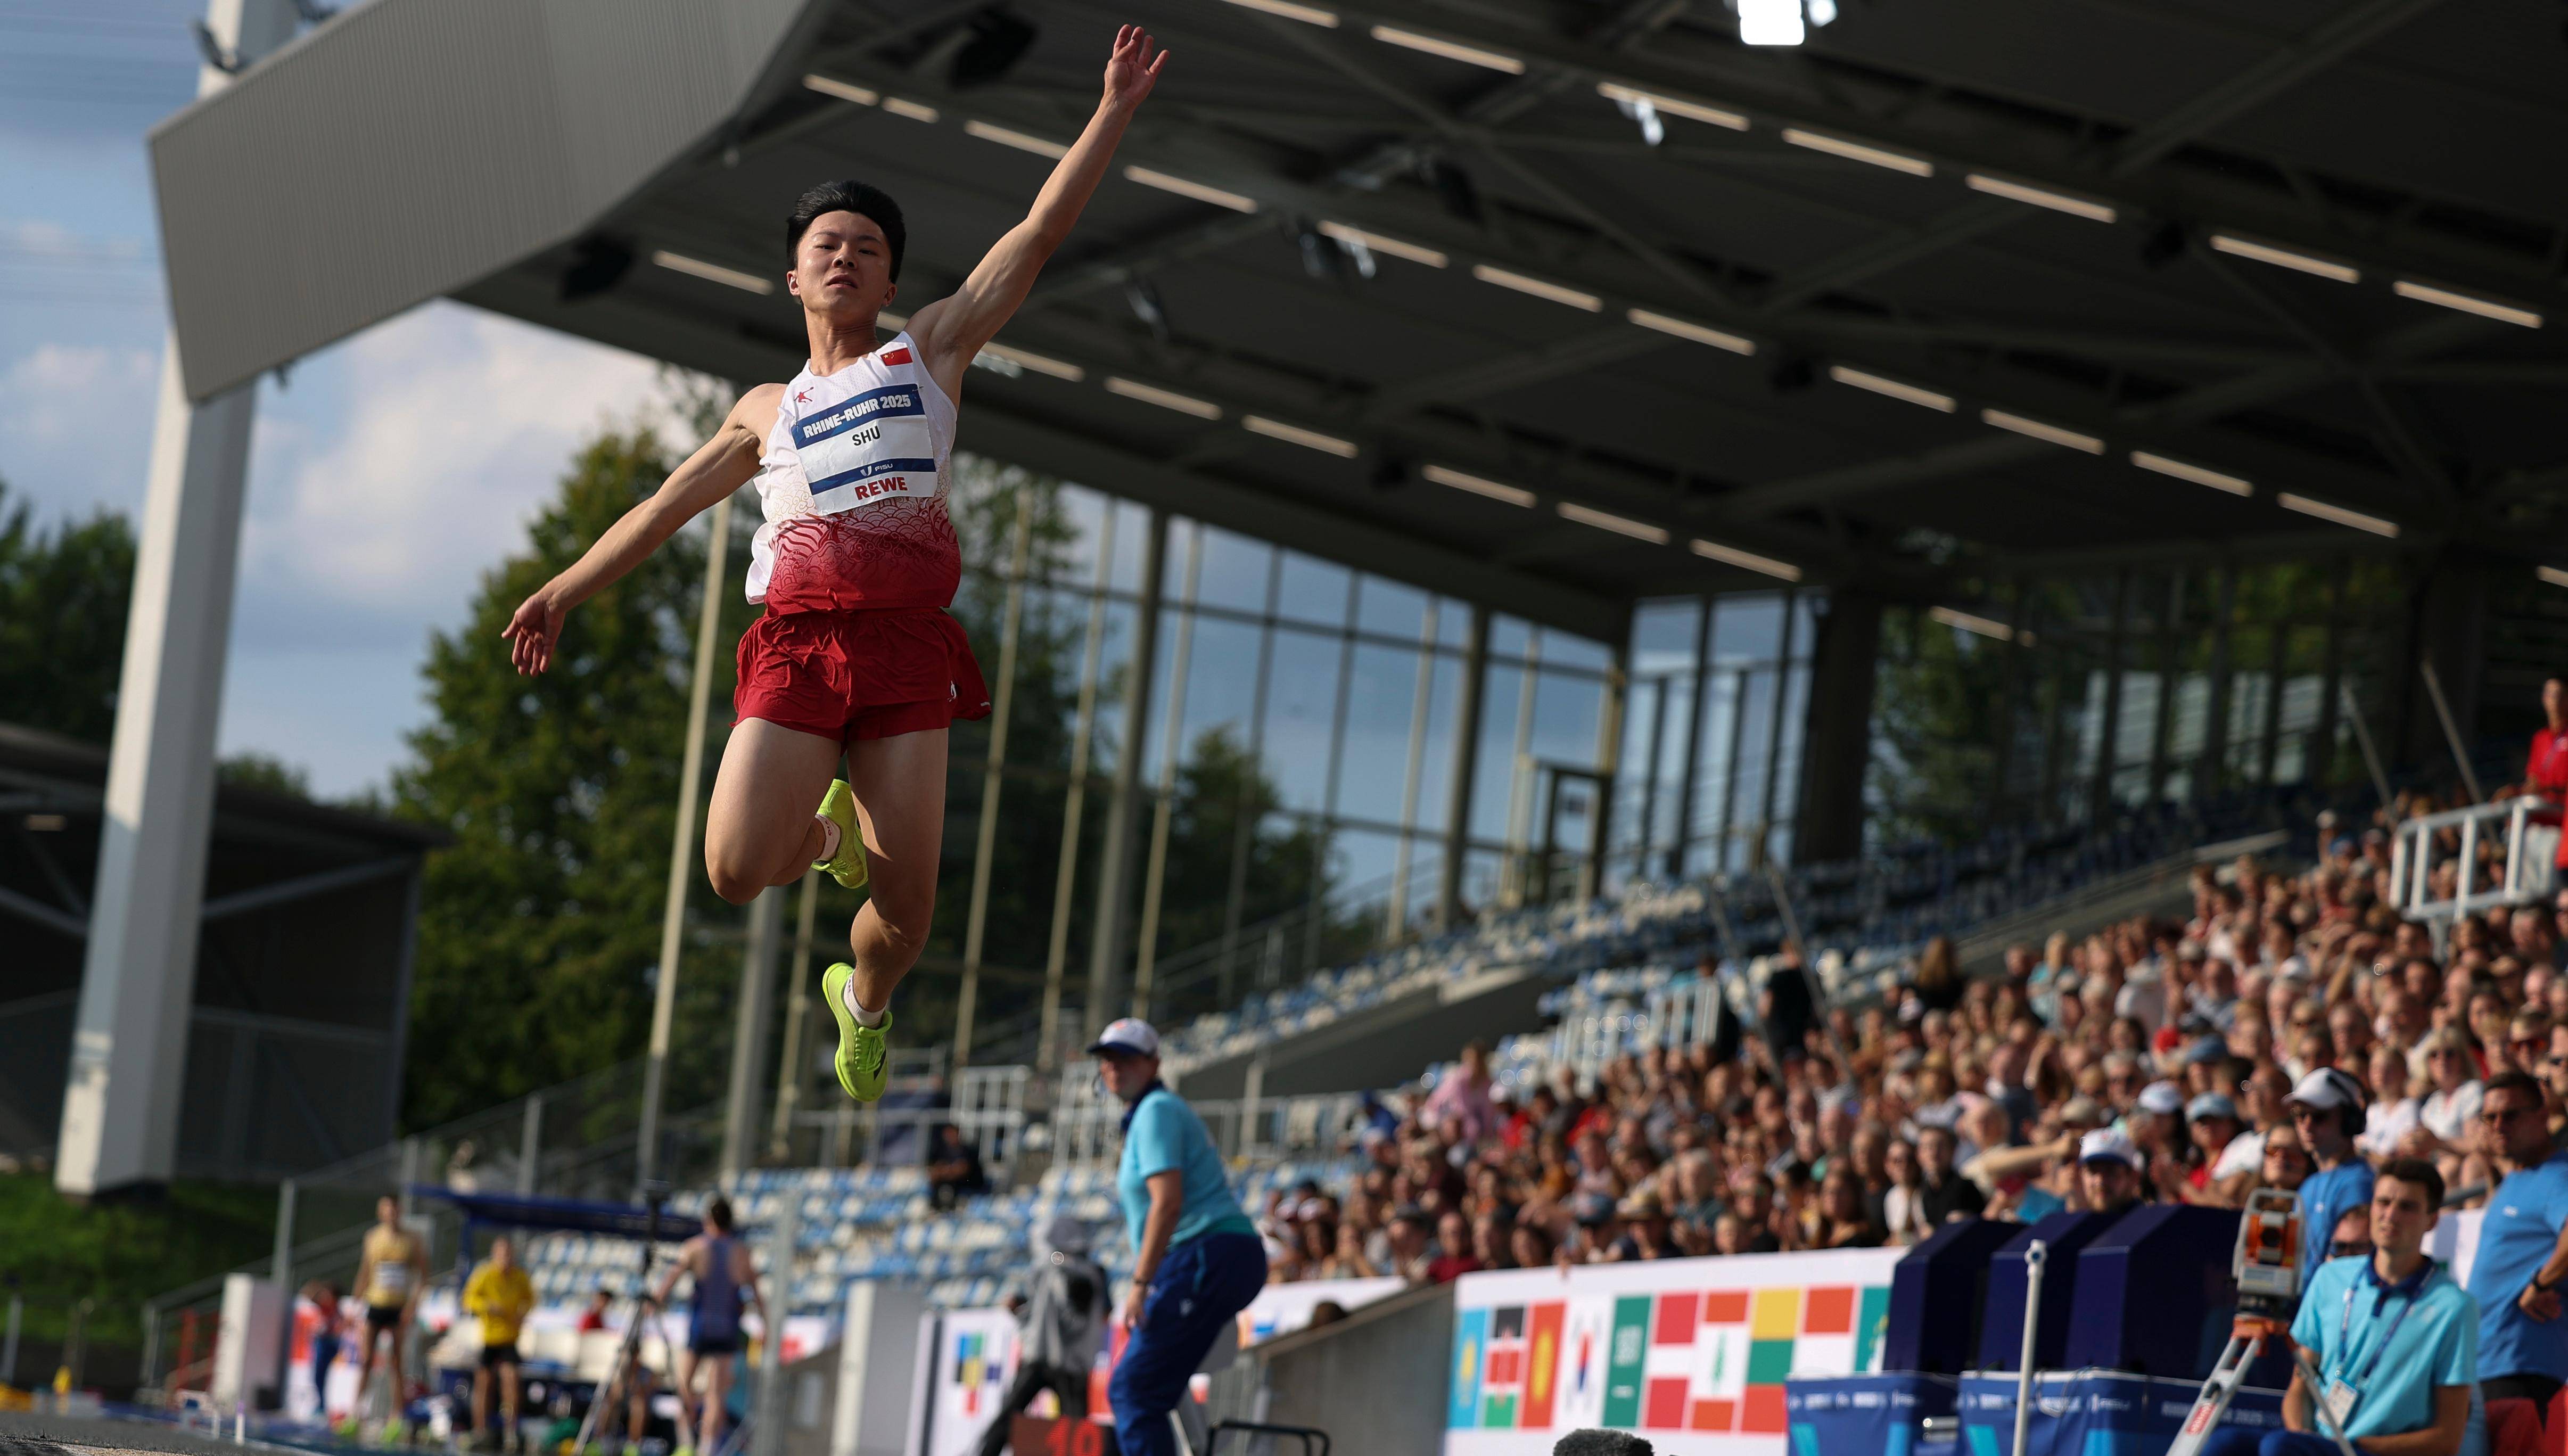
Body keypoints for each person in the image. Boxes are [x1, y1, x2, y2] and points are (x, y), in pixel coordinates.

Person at [501, 26, 1171, 1103]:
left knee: (906, 923)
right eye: (827, 242)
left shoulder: (934, 350)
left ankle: (861, 1003)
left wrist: (1115, 109)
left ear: (892, 275)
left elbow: (1038, 234)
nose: (846, 254)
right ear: (794, 272)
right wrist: (564, 588)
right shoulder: (766, 410)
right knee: (730, 870)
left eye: (867, 244)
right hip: (800, 644)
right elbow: (665, 505)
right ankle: (821, 835)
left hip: (906, 651)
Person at [2196, 1158, 2476, 1456]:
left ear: (2431, 1220)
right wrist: (2303, 1436)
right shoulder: (2331, 1277)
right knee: (2222, 1445)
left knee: (2280, 1447)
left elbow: (2447, 1438)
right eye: (2383, 1202)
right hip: (2319, 1444)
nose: (2391, 1215)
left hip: (2375, 1451)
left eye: (2407, 1207)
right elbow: (2299, 1390)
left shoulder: (2453, 1307)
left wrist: (2348, 1447)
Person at [1091, 1018, 1266, 1456]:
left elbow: (1167, 1203)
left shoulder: (1156, 1110)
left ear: (1154, 1063)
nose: (1114, 1067)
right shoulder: (1152, 1112)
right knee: (1148, 1387)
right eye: (1107, 1059)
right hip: (1210, 1253)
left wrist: (1140, 1282)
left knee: (1134, 1390)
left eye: (1126, 1058)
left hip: (1206, 1250)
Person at [2467, 1072, 2568, 1434]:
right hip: (2487, 1365)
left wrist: (2541, 1283)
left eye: (2510, 1115)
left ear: (2542, 1116)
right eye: (2489, 1117)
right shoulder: (2519, 1177)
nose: (2498, 1125)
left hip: (2521, 1368)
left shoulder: (2558, 1175)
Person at [972, 1218, 1108, 1456]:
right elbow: (1040, 1317)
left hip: (1069, 1364)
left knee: (1076, 1430)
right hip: (1043, 1358)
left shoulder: (1081, 1272)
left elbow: (1081, 1317)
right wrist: (1020, 1311)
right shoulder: (1049, 1269)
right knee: (1009, 1417)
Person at [652, 1196, 769, 1456]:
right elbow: (757, 1293)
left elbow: (670, 1280)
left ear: (709, 1220)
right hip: (727, 1328)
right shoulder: (741, 1251)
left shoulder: (694, 1247)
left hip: (701, 1325)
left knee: (685, 1386)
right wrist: (766, 1326)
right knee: (717, 1394)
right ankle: (707, 1448)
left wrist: (655, 1302)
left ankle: (684, 1444)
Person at [342, 1195, 426, 1438]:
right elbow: (365, 1272)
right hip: (376, 1303)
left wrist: (412, 1307)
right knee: (367, 1359)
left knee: (396, 1363)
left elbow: (423, 1276)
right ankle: (355, 1413)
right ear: (381, 1212)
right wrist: (354, 1305)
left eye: (395, 1210)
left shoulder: (412, 1240)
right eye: (387, 1210)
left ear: (399, 1212)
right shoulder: (373, 1238)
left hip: (398, 1306)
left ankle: (396, 1417)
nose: (391, 1214)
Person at [2291, 1068, 2377, 1279]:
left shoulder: (2358, 1182)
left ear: (2349, 1121)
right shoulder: (2308, 1184)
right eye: (2300, 1116)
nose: (2307, 1125)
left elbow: (2350, 1267)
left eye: (2319, 1117)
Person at [464, 1235, 536, 1453]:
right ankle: (480, 1430)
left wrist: (522, 1312)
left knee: (510, 1380)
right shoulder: (485, 1275)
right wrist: (487, 1306)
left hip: (509, 1339)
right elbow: (469, 1299)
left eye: (509, 1254)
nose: (506, 1258)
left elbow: (530, 1299)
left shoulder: (519, 1277)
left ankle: (510, 1430)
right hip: (489, 1339)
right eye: (502, 1254)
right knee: (483, 1384)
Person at [927, 1124, 990, 1211]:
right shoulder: (941, 1151)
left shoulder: (968, 1151)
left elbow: (963, 1170)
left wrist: (946, 1171)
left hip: (970, 1187)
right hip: (950, 1186)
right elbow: (934, 1171)